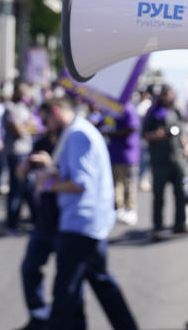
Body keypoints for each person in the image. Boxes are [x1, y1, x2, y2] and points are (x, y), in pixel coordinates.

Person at [37, 96, 138, 330]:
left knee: (66, 292)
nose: (46, 127)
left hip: (80, 223)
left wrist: (49, 185)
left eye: (46, 120)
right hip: (89, 222)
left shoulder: (77, 135)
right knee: (98, 284)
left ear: (55, 111)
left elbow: (81, 182)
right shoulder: (78, 131)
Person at [14, 126, 61, 330]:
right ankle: (40, 315)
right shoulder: (41, 143)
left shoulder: (71, 142)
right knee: (30, 268)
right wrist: (25, 166)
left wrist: (50, 166)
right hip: (44, 219)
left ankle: (66, 318)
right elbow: (20, 174)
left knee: (70, 277)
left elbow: (78, 180)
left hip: (67, 220)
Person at [141, 85, 188, 239]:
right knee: (159, 196)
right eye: (167, 95)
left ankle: (180, 224)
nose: (169, 97)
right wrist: (158, 134)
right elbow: (145, 135)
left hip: (176, 159)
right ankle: (158, 227)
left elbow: (182, 131)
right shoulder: (153, 112)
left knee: (181, 193)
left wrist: (186, 146)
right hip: (159, 161)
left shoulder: (175, 110)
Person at [100, 103, 142, 225]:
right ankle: (119, 207)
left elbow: (132, 127)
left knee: (128, 182)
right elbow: (106, 122)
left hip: (127, 152)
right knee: (115, 182)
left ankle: (131, 208)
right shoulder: (109, 108)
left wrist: (111, 133)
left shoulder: (128, 108)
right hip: (113, 152)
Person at [4, 84, 37, 232]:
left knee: (29, 187)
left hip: (27, 150)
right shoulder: (11, 108)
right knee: (17, 188)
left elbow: (33, 127)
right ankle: (12, 222)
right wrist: (26, 127)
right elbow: (17, 129)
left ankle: (35, 217)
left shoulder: (26, 108)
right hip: (16, 152)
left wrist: (27, 127)